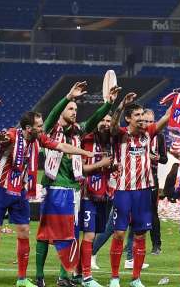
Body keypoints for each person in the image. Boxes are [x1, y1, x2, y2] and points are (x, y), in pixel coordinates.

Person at [0, 111, 93, 287]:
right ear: (28, 128)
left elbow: (61, 146)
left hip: (21, 191)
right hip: (0, 189)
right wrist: (0, 138)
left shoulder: (38, 139)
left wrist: (84, 153)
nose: (42, 129)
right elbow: (2, 139)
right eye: (39, 126)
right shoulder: (12, 135)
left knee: (24, 231)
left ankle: (22, 279)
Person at [35, 82, 119, 287]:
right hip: (52, 186)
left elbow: (94, 120)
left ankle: (64, 277)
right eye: (71, 108)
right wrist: (68, 96)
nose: (74, 112)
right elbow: (53, 114)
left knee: (71, 233)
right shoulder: (49, 130)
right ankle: (39, 275)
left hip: (73, 189)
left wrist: (108, 104)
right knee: (45, 233)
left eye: (75, 109)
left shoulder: (77, 132)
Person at [107, 93, 173, 287]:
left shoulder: (148, 133)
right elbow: (111, 126)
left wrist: (176, 101)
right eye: (137, 115)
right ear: (128, 118)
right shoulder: (120, 134)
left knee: (140, 234)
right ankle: (114, 277)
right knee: (119, 234)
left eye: (143, 115)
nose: (142, 119)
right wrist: (120, 106)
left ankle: (135, 278)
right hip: (123, 191)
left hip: (144, 191)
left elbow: (166, 118)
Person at [78, 114, 116, 287]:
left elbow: (109, 167)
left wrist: (113, 166)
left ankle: (79, 272)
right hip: (87, 194)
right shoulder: (86, 141)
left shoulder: (112, 143)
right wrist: (102, 164)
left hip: (105, 195)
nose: (106, 124)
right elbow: (82, 169)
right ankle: (87, 277)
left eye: (109, 121)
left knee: (93, 235)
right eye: (103, 120)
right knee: (89, 234)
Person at [143, 109, 168, 255]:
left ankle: (156, 245)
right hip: (136, 177)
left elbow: (164, 159)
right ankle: (130, 249)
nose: (148, 124)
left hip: (152, 177)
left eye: (151, 121)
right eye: (145, 121)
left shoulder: (159, 137)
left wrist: (156, 157)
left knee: (152, 212)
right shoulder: (135, 135)